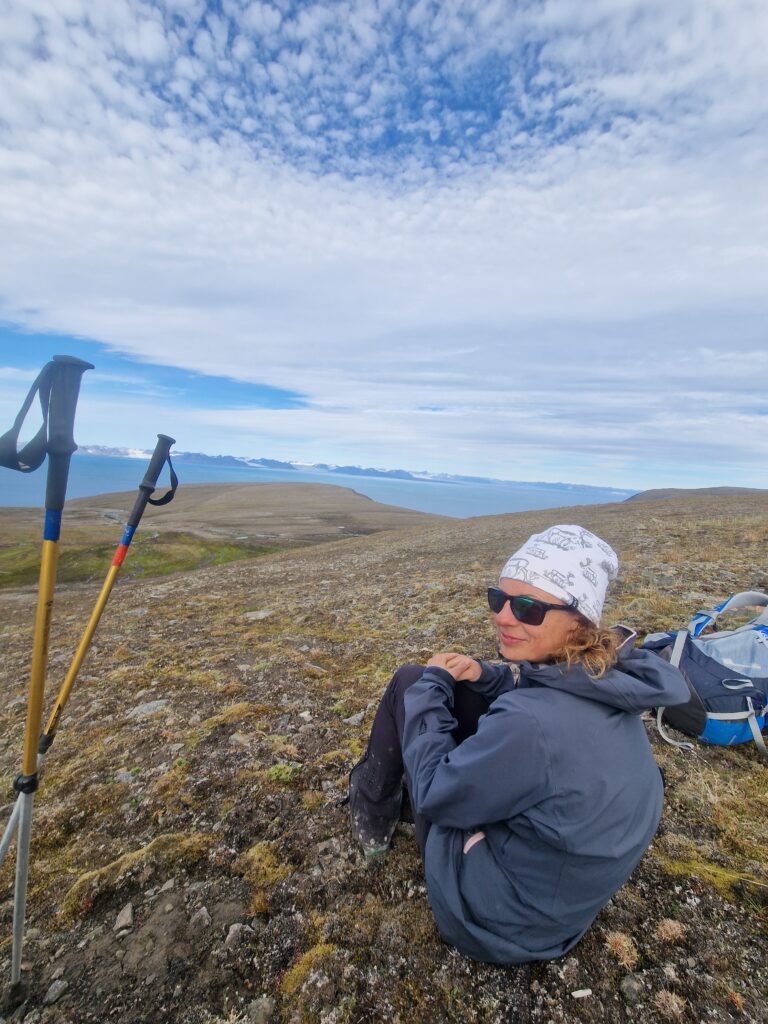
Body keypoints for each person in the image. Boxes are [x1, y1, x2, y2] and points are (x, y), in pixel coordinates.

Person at [348, 524, 689, 965]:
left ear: (580, 620)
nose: (504, 617)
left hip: (498, 921)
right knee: (438, 687)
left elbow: (434, 793)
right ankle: (380, 802)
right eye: (499, 599)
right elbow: (545, 698)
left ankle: (372, 819)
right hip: (559, 901)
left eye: (528, 608)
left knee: (411, 684)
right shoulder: (610, 676)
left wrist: (433, 686)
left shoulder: (529, 726)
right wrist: (487, 676)